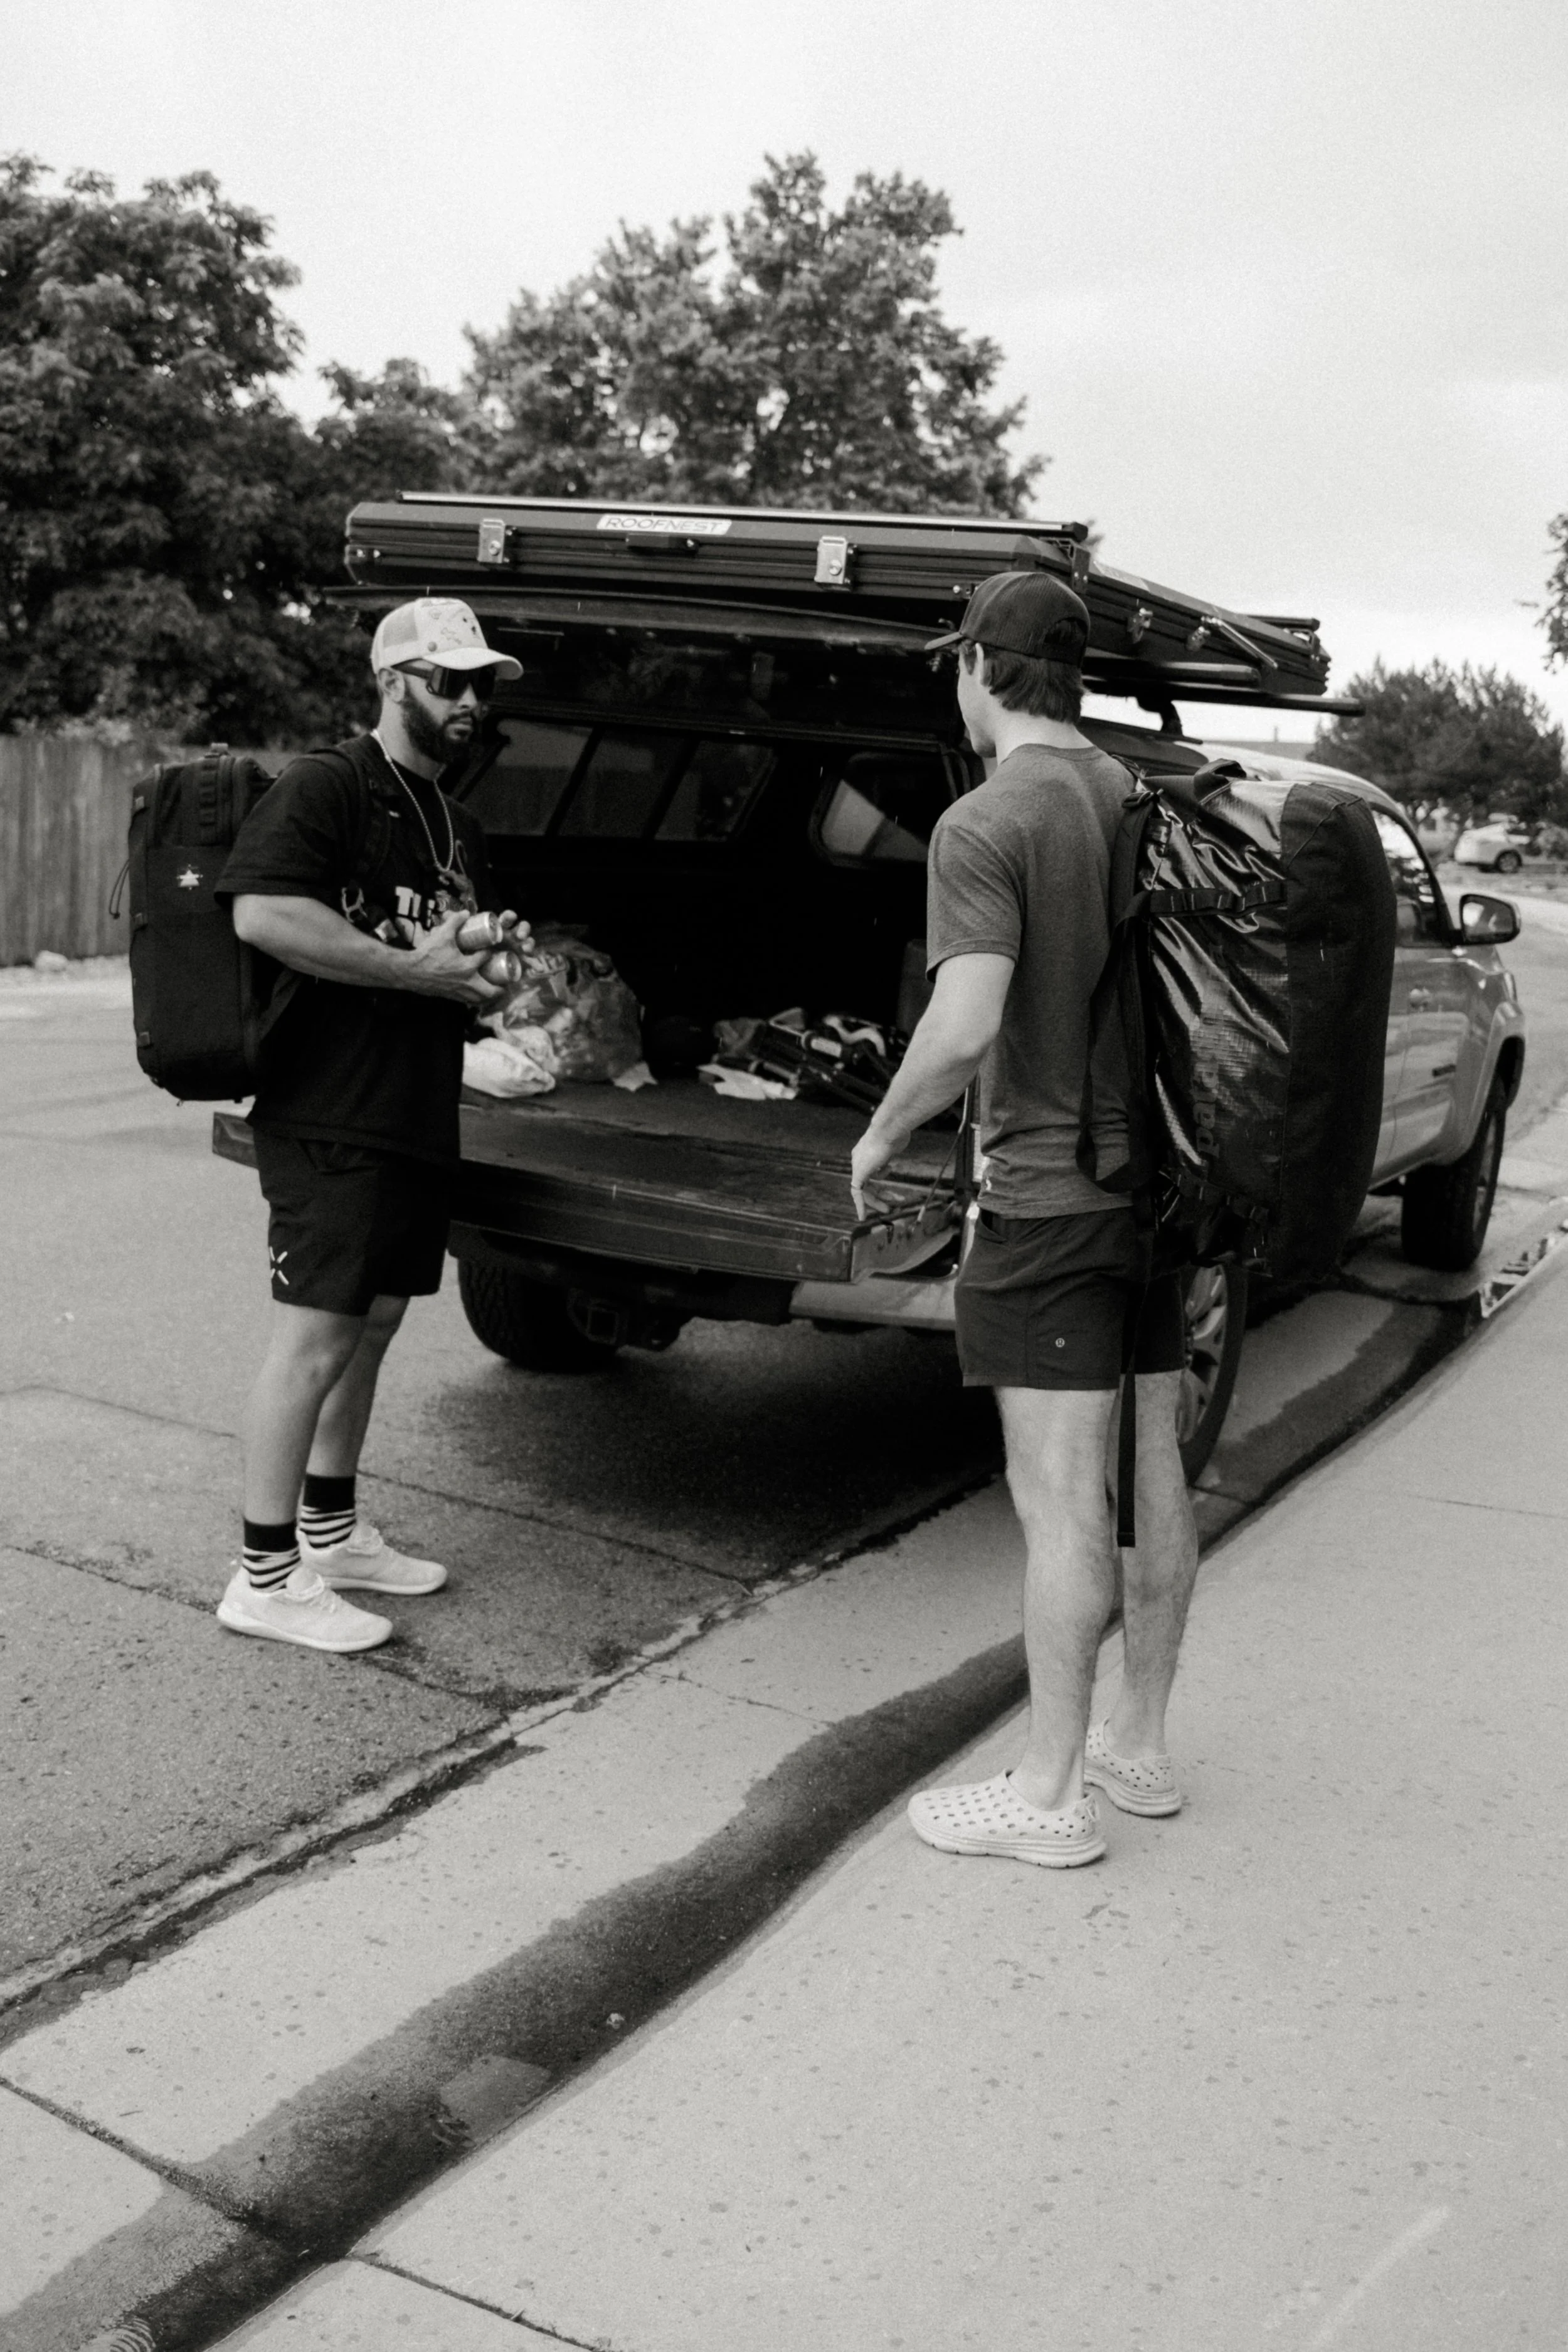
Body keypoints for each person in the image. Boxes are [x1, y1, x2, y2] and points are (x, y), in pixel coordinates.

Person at [850, 571, 1199, 1867]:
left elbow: (964, 1023)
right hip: (1153, 1194)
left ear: (978, 670)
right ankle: (1137, 1745)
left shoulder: (986, 820)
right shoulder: (1129, 795)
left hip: (1047, 1202)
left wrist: (882, 1134)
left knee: (1055, 1498)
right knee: (1148, 1465)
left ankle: (1048, 1798)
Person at [213, 598, 524, 1653]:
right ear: (394, 681)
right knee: (316, 1334)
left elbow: (443, 963)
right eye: (450, 681)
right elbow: (260, 911)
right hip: (329, 1104)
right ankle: (263, 1573)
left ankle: (331, 1532)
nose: (472, 701)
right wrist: (411, 967)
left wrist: (487, 971)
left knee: (376, 1323)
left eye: (482, 683)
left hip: (413, 1106)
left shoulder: (458, 823)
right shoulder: (330, 784)